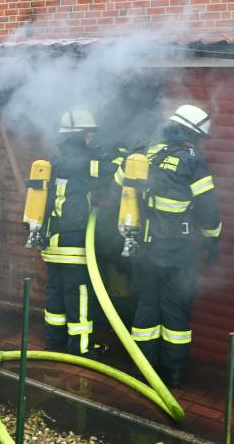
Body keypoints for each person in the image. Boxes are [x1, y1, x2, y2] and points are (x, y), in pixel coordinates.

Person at [117, 104, 222, 387]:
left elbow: (118, 181)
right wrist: (213, 237)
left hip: (143, 248)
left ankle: (144, 370)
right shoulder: (192, 159)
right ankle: (174, 374)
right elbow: (208, 208)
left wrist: (129, 156)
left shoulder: (145, 153)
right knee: (175, 310)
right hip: (177, 250)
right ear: (192, 133)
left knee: (147, 307)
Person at [41, 108, 116, 358]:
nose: (90, 140)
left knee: (56, 291)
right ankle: (81, 347)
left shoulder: (55, 158)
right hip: (73, 239)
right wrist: (123, 157)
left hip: (52, 240)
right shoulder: (83, 161)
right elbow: (110, 172)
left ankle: (53, 339)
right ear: (78, 135)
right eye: (88, 135)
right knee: (79, 293)